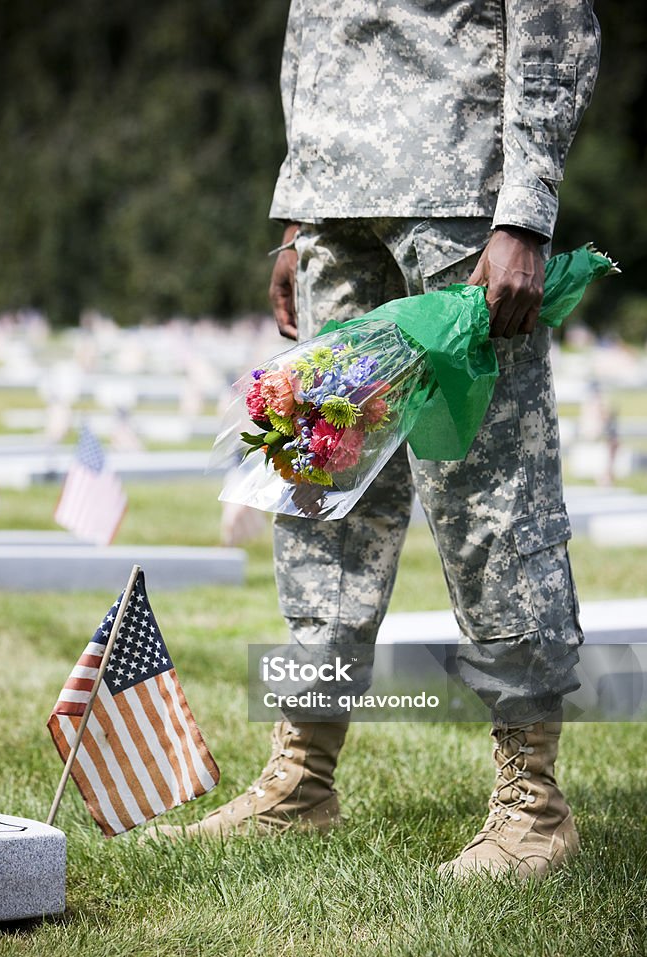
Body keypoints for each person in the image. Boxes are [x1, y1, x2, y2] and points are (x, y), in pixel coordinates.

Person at [148, 0, 601, 879]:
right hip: (332, 207)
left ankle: (532, 805)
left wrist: (526, 210)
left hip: (459, 203)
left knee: (489, 500)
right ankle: (301, 780)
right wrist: (296, 213)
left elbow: (552, 15)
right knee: (317, 497)